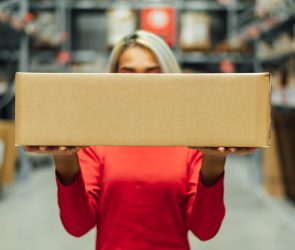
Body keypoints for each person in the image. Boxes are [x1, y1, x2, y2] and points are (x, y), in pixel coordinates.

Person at [24, 30, 256, 250]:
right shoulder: (96, 140)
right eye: (128, 74)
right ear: (112, 79)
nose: (140, 84)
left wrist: (214, 162)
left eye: (152, 74)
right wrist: (64, 160)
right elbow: (78, 226)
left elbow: (205, 230)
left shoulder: (191, 141)